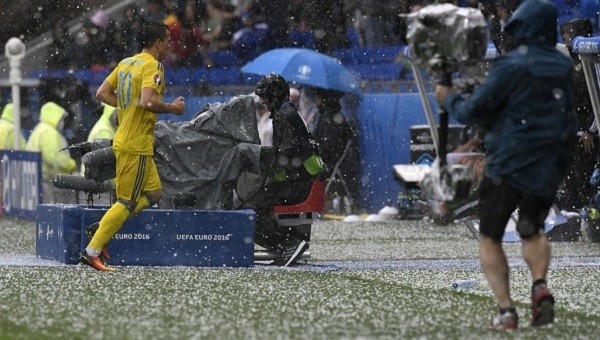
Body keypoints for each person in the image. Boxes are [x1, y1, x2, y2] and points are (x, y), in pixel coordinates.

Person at [434, 0, 576, 329]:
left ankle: (506, 311)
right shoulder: (562, 64)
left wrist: (448, 97)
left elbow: (473, 112)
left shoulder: (510, 65)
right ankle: (540, 285)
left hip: (508, 163)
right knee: (532, 230)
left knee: (491, 237)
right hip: (546, 164)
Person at [80, 21, 186, 272]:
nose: (170, 44)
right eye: (168, 40)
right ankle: (92, 251)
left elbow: (102, 93)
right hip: (135, 143)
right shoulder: (154, 66)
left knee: (153, 194)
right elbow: (148, 101)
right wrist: (173, 108)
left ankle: (106, 225)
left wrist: (126, 106)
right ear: (158, 43)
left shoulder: (127, 63)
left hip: (132, 140)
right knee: (127, 201)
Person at [248, 74, 325, 265]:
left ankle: (287, 243)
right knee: (256, 203)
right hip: (300, 179)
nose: (264, 101)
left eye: (266, 97)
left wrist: (264, 160)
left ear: (274, 95)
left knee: (251, 209)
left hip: (298, 182)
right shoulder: (285, 112)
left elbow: (288, 151)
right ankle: (287, 243)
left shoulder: (284, 115)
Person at [559, 18, 597, 211]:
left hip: (590, 132)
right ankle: (570, 213)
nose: (565, 36)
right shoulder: (571, 62)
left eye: (569, 32)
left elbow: (597, 100)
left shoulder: (593, 61)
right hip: (574, 130)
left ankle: (586, 212)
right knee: (566, 170)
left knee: (581, 172)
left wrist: (589, 130)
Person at [26, 102, 77, 204]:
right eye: (61, 118)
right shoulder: (49, 132)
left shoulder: (40, 128)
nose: (62, 122)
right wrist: (70, 165)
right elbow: (54, 157)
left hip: (38, 178)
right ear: (55, 117)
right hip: (49, 180)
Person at [81, 103, 118, 205]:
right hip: (98, 184)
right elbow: (107, 162)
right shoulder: (104, 131)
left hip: (97, 182)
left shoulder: (108, 127)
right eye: (117, 113)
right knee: (101, 215)